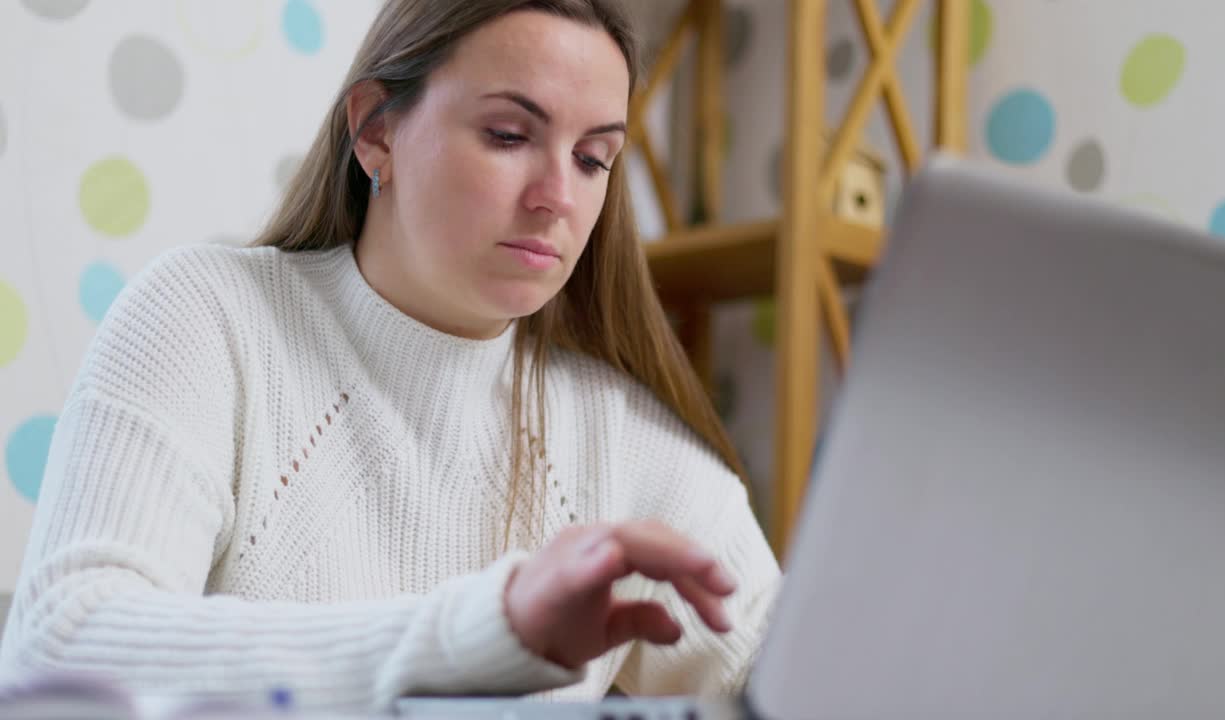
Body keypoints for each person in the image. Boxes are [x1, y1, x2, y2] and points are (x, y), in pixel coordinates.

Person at [0, 0, 781, 712]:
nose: (558, 196)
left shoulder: (627, 443)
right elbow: (58, 647)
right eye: (510, 135)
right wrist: (482, 630)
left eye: (592, 158)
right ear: (376, 130)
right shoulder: (209, 317)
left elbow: (797, 683)